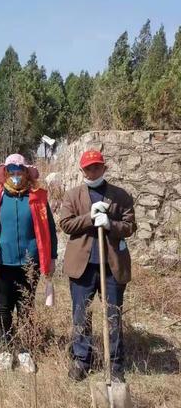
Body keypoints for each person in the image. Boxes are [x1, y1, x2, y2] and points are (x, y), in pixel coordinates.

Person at [59, 150, 136, 382]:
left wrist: (110, 224)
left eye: (96, 167)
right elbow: (65, 224)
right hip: (82, 266)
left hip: (112, 266)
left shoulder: (120, 195)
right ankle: (83, 359)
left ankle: (114, 363)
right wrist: (89, 218)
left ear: (104, 168)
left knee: (113, 315)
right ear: (82, 171)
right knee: (81, 315)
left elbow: (130, 226)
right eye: (88, 168)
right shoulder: (73, 195)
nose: (92, 172)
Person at [0, 154, 57, 371]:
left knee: (25, 307)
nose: (16, 175)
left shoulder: (37, 198)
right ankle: (5, 349)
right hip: (3, 262)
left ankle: (25, 350)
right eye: (11, 171)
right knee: (3, 308)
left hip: (29, 263)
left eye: (19, 171)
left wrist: (52, 257)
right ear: (5, 174)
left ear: (26, 173)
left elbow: (49, 229)